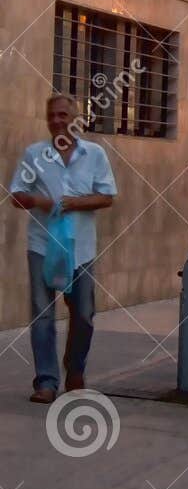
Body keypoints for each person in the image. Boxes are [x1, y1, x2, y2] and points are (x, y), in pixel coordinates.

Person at [9, 93, 117, 402]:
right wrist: (41, 202)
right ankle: (46, 381)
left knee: (83, 314)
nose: (57, 121)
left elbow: (107, 196)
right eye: (52, 116)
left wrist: (73, 203)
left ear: (75, 119)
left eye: (63, 116)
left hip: (80, 249)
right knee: (42, 315)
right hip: (42, 246)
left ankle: (75, 370)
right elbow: (17, 194)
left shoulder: (94, 154)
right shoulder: (34, 154)